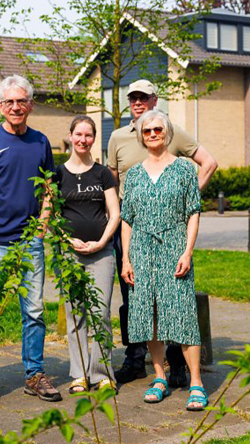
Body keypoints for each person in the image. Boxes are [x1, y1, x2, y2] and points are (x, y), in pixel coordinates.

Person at [108, 79, 218, 388]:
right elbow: (114, 187)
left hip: (173, 239)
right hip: (137, 238)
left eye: (143, 97)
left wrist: (182, 200)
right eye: (133, 97)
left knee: (180, 309)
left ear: (155, 100)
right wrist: (118, 236)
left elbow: (207, 168)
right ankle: (145, 367)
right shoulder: (119, 140)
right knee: (142, 308)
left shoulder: (177, 148)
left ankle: (186, 372)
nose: (138, 102)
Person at [0, 75, 61, 407]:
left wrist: (43, 223)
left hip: (29, 243)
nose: (16, 107)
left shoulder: (40, 142)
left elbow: (49, 188)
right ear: (0, 106)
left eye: (21, 101)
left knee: (34, 311)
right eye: (9, 101)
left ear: (31, 105)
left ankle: (34, 374)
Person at [120, 109, 207, 411]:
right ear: (141, 136)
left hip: (174, 247)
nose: (153, 134)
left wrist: (188, 251)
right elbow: (127, 219)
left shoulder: (184, 169)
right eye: (147, 131)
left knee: (184, 314)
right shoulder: (133, 174)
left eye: (158, 129)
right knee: (150, 315)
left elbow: (193, 212)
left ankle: (196, 382)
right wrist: (126, 259)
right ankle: (159, 378)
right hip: (141, 250)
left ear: (167, 132)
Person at [53, 116, 120, 395]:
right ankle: (79, 374)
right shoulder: (57, 174)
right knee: (75, 313)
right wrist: (67, 239)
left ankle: (101, 373)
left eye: (88, 135)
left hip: (101, 253)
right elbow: (51, 215)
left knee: (100, 312)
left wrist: (101, 242)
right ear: (70, 136)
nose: (83, 140)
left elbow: (114, 213)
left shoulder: (102, 173)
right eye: (78, 134)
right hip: (69, 254)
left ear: (94, 138)